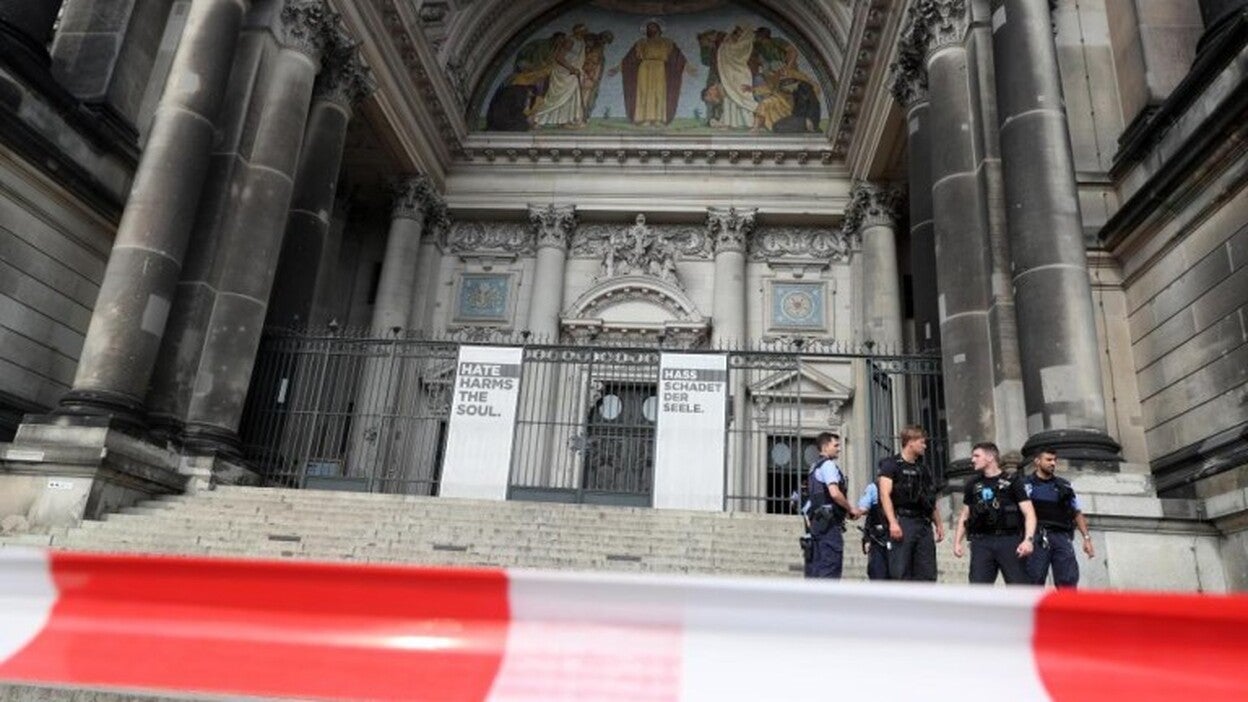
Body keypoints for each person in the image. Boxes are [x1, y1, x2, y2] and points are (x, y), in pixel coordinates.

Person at [953, 442, 1036, 585]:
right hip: (981, 542)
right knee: (978, 591)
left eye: (977, 456)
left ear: (990, 457)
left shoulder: (1013, 481)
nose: (973, 460)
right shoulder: (972, 484)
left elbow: (1029, 513)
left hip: (1009, 541)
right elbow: (964, 515)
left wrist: (1028, 540)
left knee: (1019, 588)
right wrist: (957, 542)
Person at [878, 425, 944, 580]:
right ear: (911, 442)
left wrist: (939, 523)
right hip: (904, 521)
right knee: (901, 571)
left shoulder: (923, 469)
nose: (925, 446)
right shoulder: (891, 464)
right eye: (922, 442)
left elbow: (930, 498)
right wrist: (893, 523)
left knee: (927, 572)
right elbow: (884, 495)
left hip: (924, 523)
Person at [1023, 448, 1094, 588]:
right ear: (1037, 461)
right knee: (1033, 581)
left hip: (1061, 537)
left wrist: (1087, 539)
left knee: (1068, 581)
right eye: (1048, 460)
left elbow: (1077, 512)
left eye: (1054, 460)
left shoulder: (1064, 486)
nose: (1053, 463)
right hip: (1037, 536)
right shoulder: (1026, 485)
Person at [608, 20, 695, 127]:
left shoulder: (667, 42)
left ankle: (658, 119)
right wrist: (616, 69)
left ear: (659, 29)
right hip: (644, 68)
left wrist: (688, 67)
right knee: (643, 92)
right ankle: (644, 118)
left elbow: (678, 57)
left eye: (654, 27)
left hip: (660, 68)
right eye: (649, 28)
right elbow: (629, 59)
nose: (652, 29)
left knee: (659, 92)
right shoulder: (641, 42)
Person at [804, 432, 864, 579]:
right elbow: (835, 493)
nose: (839, 449)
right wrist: (850, 509)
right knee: (829, 572)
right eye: (835, 445)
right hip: (829, 526)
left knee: (815, 572)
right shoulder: (828, 465)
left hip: (817, 526)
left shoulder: (814, 468)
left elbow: (808, 502)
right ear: (825, 447)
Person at [856, 481, 889, 580]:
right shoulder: (874, 488)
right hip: (879, 539)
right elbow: (863, 508)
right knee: (878, 573)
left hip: (899, 538)